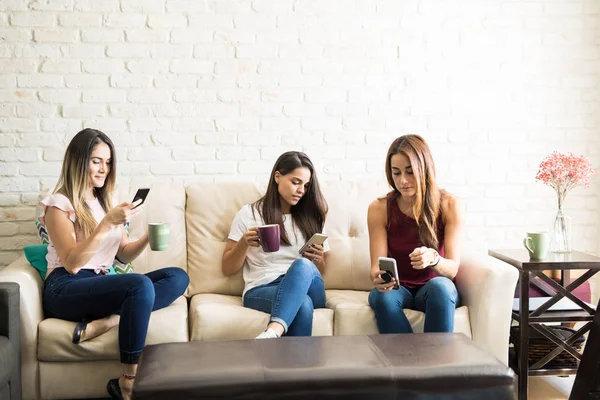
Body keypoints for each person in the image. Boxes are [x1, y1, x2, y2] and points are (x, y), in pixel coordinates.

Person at [40, 128, 189, 400]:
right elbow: (72, 263)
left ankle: (110, 320)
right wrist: (107, 222)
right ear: (78, 160)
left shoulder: (103, 201)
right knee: (139, 285)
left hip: (99, 283)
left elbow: (123, 256)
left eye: (108, 162)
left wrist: (146, 237)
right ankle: (128, 380)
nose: (104, 169)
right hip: (65, 286)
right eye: (96, 161)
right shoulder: (59, 204)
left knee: (178, 277)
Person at [222, 151, 329, 339]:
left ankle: (273, 331)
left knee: (302, 264)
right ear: (277, 177)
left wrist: (318, 259)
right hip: (262, 287)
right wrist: (243, 244)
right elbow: (227, 268)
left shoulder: (313, 217)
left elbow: (321, 270)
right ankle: (295, 367)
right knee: (302, 304)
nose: (301, 191)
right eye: (296, 182)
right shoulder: (249, 214)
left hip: (307, 284)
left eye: (306, 185)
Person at [367, 134, 464, 334]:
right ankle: (411, 359)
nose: (402, 181)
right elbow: (376, 265)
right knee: (380, 296)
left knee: (442, 288)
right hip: (398, 288)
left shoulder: (449, 204)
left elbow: (453, 269)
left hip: (433, 287)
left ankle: (435, 362)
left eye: (410, 172)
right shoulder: (379, 208)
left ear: (424, 169)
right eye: (396, 173)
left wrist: (434, 259)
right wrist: (378, 276)